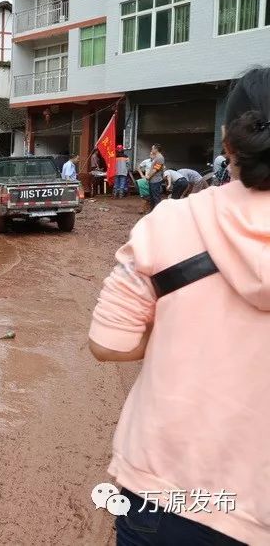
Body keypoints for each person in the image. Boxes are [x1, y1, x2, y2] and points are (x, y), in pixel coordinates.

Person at [87, 67, 270, 545]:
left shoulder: (167, 224)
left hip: (166, 497)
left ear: (229, 143)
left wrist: (180, 328)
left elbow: (107, 343)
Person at [146, 144, 166, 212]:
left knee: (156, 197)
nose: (151, 150)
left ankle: (158, 213)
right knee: (152, 197)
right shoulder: (156, 157)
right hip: (153, 180)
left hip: (156, 180)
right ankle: (152, 212)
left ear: (156, 149)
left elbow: (156, 169)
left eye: (152, 148)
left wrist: (148, 176)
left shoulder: (160, 158)